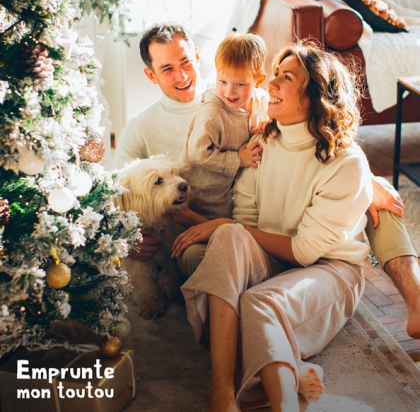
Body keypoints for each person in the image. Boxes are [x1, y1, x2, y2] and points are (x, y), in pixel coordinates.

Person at [113, 23, 420, 339]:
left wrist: (365, 179)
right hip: (212, 224)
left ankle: (415, 298)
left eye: (186, 62)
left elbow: (311, 128)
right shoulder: (140, 127)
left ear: (198, 56)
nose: (182, 75)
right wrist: (126, 241)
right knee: (196, 257)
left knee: (379, 196)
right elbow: (111, 197)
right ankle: (251, 314)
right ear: (151, 75)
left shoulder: (235, 87)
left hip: (257, 217)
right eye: (167, 69)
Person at [172, 42, 373, 411]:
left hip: (331, 269)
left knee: (257, 302)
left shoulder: (347, 164)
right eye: (275, 75)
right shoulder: (264, 141)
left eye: (286, 77)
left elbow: (304, 251)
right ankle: (222, 392)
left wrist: (225, 226)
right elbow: (245, 223)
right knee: (232, 234)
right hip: (272, 257)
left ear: (314, 95)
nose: (271, 84)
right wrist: (227, 228)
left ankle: (284, 400)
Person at [178, 33, 268, 220]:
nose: (229, 91)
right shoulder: (212, 112)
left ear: (258, 81)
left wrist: (269, 125)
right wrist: (238, 160)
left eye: (239, 84)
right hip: (203, 193)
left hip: (233, 191)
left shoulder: (262, 100)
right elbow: (197, 153)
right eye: (223, 81)